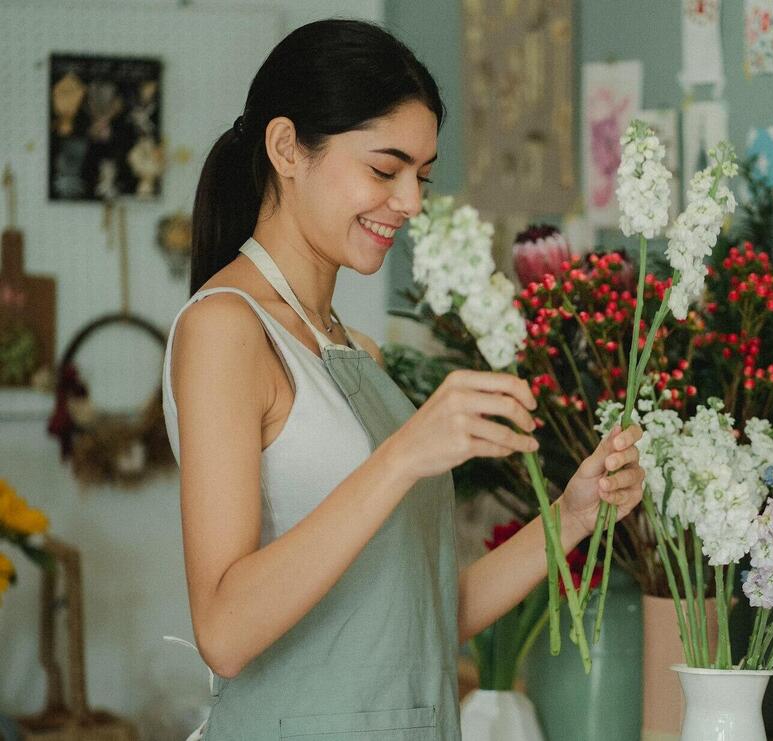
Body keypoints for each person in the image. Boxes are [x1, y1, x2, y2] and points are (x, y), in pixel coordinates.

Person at [161, 20, 644, 740]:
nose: (411, 203)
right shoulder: (225, 329)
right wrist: (404, 454)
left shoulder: (357, 352)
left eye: (421, 176)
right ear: (287, 147)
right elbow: (224, 628)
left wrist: (572, 516)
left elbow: (424, 609)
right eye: (385, 170)